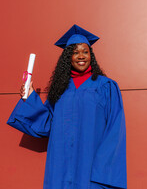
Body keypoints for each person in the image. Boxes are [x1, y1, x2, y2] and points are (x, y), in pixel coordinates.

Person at [7, 24, 127, 189]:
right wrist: (29, 98)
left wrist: (103, 169)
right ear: (67, 58)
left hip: (91, 165)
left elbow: (115, 129)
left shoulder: (106, 86)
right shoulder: (60, 89)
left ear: (91, 55)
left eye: (85, 51)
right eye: (75, 52)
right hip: (61, 166)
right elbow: (47, 124)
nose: (81, 56)